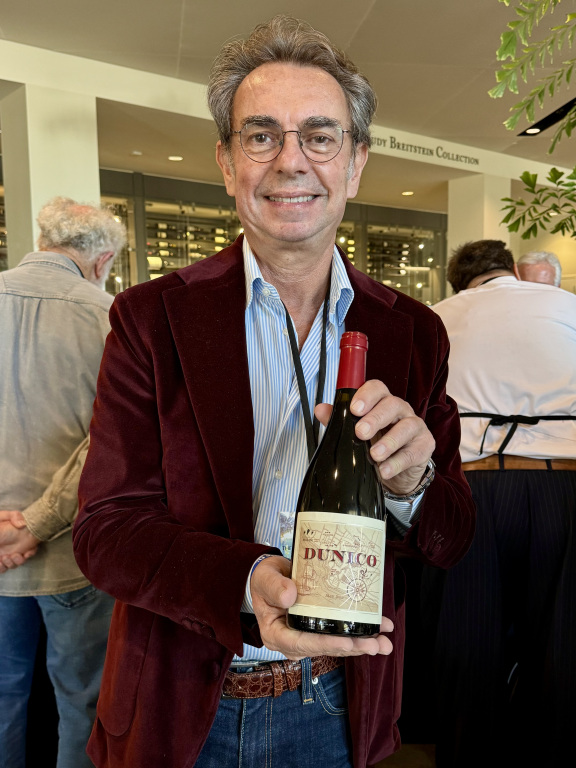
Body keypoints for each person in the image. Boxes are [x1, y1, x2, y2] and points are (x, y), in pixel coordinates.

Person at [73, 16, 475, 768]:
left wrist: (413, 483)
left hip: (339, 705)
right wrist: (248, 579)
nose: (292, 161)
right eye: (261, 136)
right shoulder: (150, 318)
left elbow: (452, 536)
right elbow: (104, 531)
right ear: (228, 164)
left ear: (356, 163)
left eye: (320, 136)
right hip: (181, 706)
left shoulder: (415, 332)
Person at [430, 239, 576, 768]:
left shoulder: (437, 317)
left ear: (459, 283)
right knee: (562, 640)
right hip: (562, 485)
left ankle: (468, 754)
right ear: (512, 268)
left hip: (471, 488)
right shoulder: (566, 306)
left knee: (469, 636)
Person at [0, 196, 126, 768]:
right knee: (83, 704)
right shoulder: (108, 316)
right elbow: (108, 441)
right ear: (103, 261)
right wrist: (33, 524)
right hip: (71, 554)